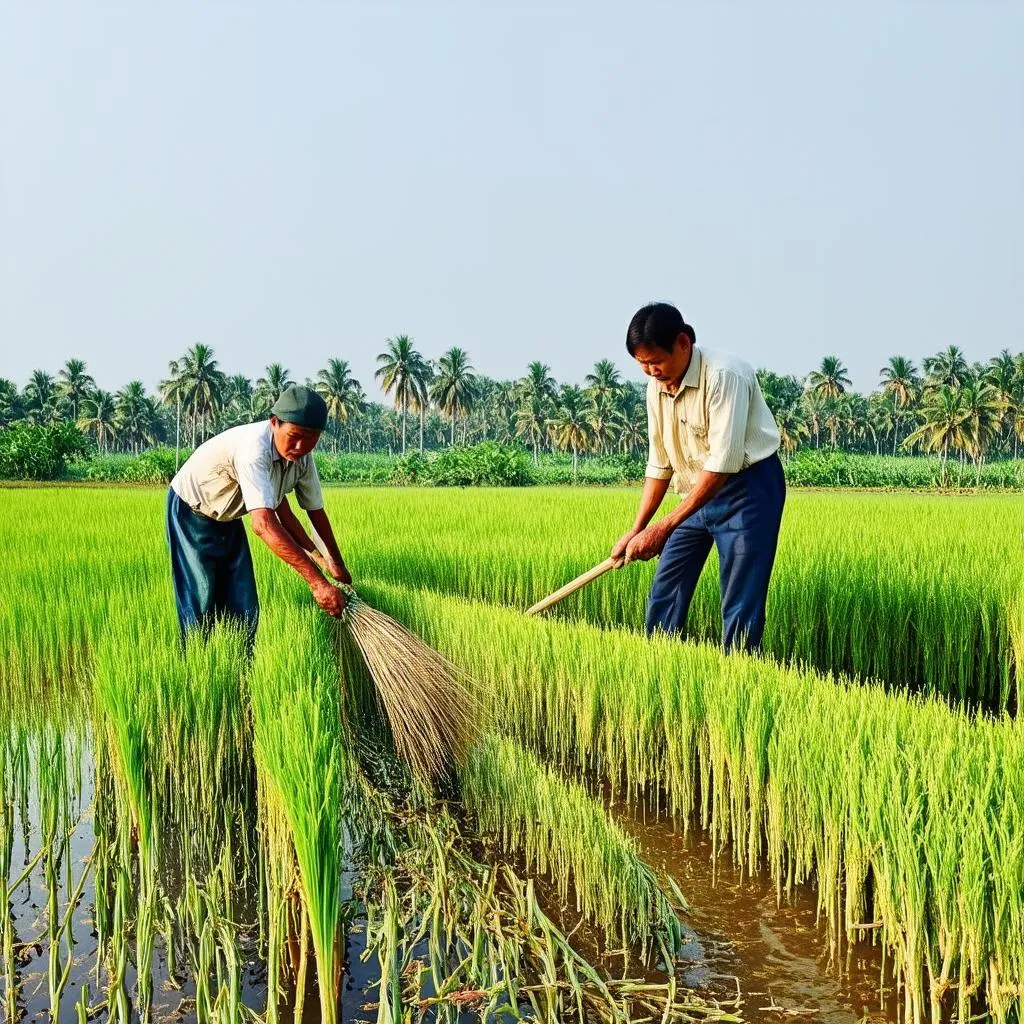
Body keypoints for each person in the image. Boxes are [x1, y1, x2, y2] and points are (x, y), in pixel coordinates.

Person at [611, 302, 785, 653]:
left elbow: (722, 464)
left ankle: (739, 675)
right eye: (642, 365)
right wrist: (639, 528)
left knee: (740, 597)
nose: (650, 372)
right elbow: (660, 463)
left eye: (654, 361)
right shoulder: (655, 389)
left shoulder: (725, 376)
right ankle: (656, 663)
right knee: (666, 587)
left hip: (747, 491)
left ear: (683, 343)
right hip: (694, 494)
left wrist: (665, 526)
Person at [166, 384, 349, 646]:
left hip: (229, 517)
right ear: (274, 423)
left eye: (311, 439)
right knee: (201, 601)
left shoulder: (302, 460)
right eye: (295, 436)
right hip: (191, 509)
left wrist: (333, 562)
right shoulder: (254, 450)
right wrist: (318, 584)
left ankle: (243, 667)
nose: (300, 446)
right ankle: (197, 665)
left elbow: (311, 512)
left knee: (243, 604)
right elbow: (264, 524)